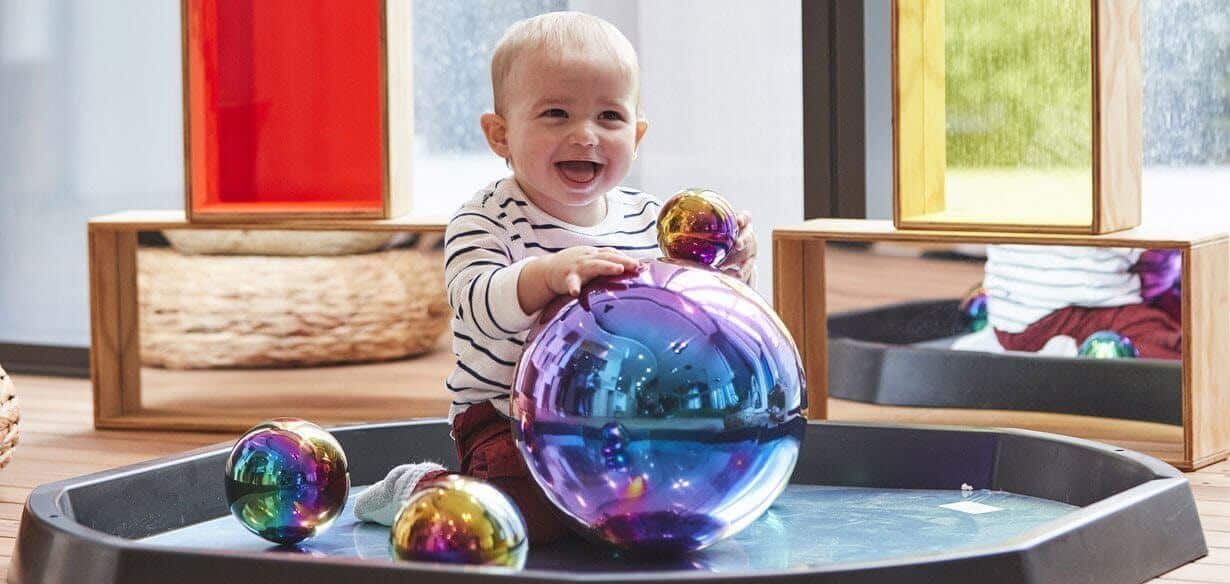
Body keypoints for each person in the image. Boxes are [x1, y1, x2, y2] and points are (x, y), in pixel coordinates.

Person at [354, 11, 758, 544]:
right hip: (507, 417)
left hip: (628, 420)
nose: (585, 135)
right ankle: (423, 487)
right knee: (522, 514)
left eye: (609, 116)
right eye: (556, 113)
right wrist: (542, 276)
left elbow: (688, 323)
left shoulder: (649, 220)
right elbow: (474, 300)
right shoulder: (485, 219)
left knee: (682, 496)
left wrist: (730, 274)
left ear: (636, 135)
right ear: (500, 135)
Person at [983, 245, 1181, 359]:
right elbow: (1155, 258)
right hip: (1068, 313)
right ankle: (1069, 352)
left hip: (1007, 317)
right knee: (1183, 359)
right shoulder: (1116, 193)